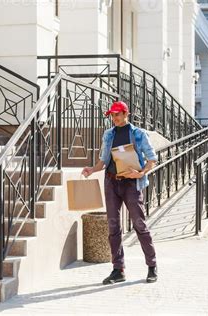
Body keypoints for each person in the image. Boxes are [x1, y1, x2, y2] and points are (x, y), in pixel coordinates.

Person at [82, 100, 158, 285]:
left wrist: (140, 173)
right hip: (111, 182)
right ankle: (118, 270)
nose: (114, 118)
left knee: (139, 224)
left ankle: (152, 266)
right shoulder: (108, 135)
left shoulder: (138, 134)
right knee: (113, 227)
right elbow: (103, 161)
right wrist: (92, 169)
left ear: (126, 114)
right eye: (112, 115)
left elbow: (152, 159)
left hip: (131, 184)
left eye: (118, 114)